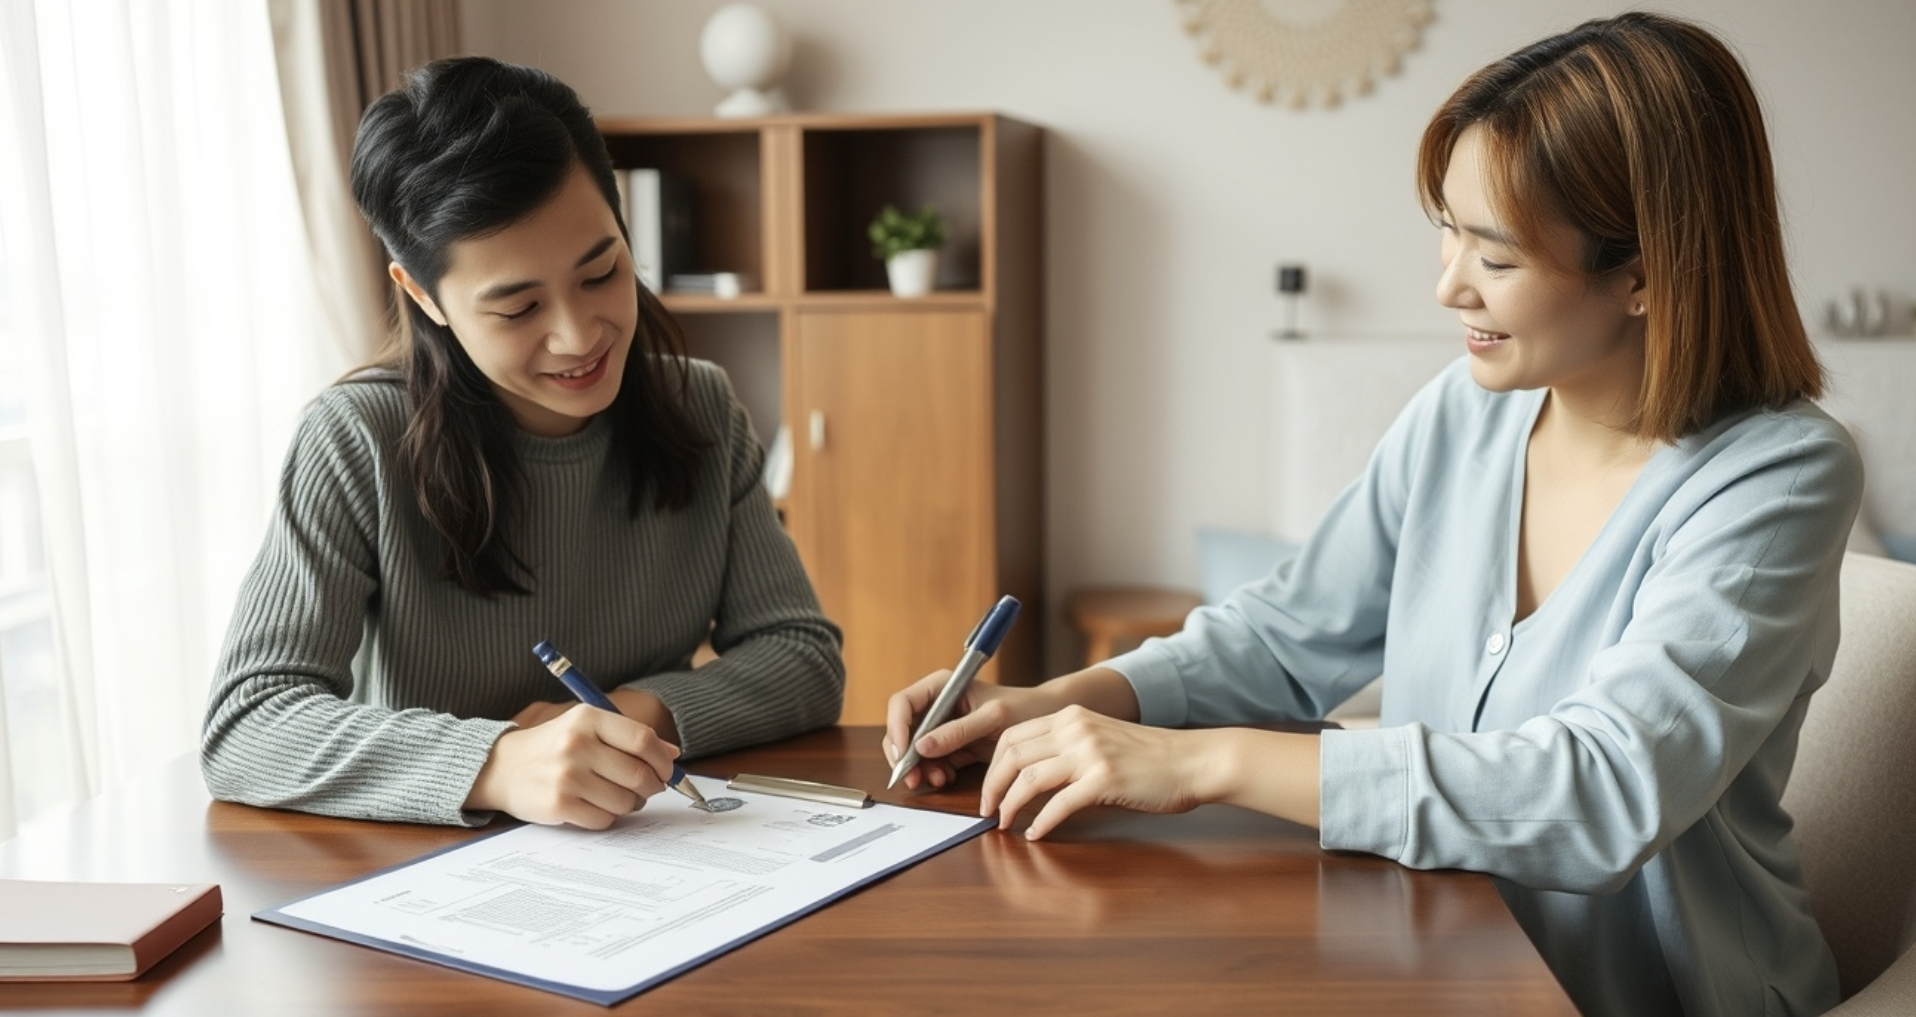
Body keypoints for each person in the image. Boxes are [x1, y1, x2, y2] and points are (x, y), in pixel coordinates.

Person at [884, 14, 1859, 1017]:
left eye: (1496, 256)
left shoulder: (1776, 479)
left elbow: (1600, 791)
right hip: (1438, 962)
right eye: (1447, 230)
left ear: (1644, 271)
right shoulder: (1463, 413)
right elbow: (1282, 637)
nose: (1446, 286)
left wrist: (1197, 762)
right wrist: (1067, 701)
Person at [202, 56, 843, 830]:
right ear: (422, 296)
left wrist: (634, 718)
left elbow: (802, 655)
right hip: (422, 889)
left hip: (653, 858)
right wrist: (499, 761)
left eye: (601, 271)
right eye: (516, 308)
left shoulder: (699, 405)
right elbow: (248, 722)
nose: (578, 335)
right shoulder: (354, 439)